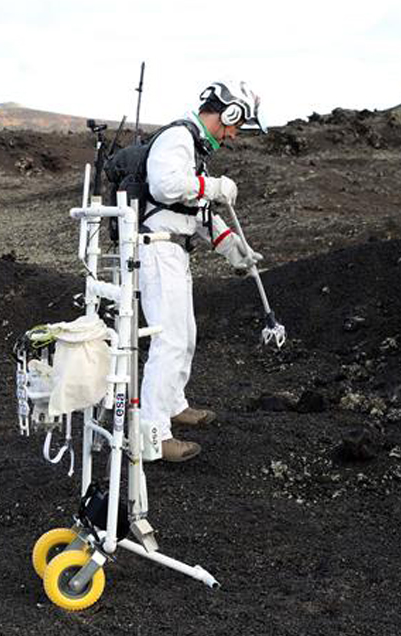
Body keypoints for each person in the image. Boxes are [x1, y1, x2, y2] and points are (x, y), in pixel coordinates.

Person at [138, 80, 266, 462]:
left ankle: (174, 403)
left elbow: (198, 214)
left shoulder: (193, 149)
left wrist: (233, 249)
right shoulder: (177, 138)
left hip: (174, 249)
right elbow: (164, 186)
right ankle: (153, 433)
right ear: (228, 113)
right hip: (157, 248)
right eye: (234, 126)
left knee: (185, 334)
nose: (232, 135)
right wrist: (214, 185)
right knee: (169, 340)